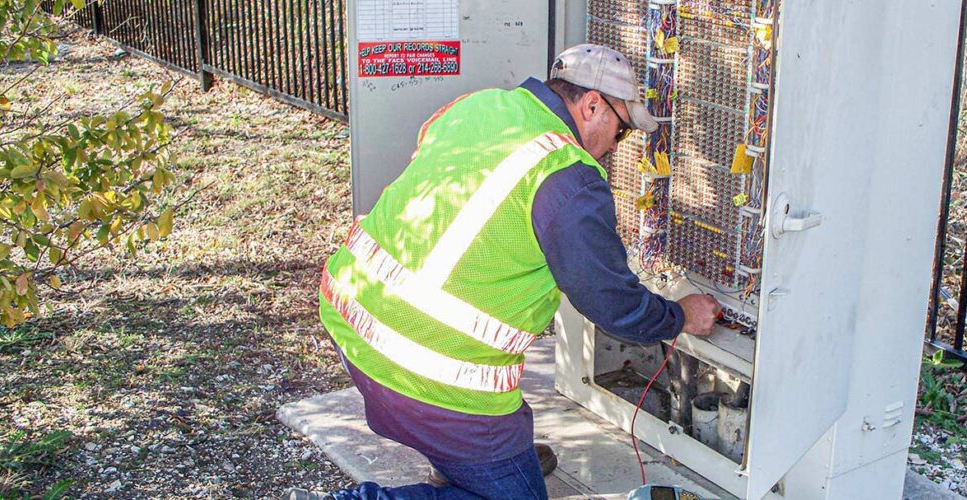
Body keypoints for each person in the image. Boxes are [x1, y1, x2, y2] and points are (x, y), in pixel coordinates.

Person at [307, 44, 721, 500]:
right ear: (591, 105)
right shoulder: (569, 174)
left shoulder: (481, 105)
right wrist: (680, 316)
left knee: (497, 464)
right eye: (620, 131)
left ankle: (475, 466)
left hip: (351, 314)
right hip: (431, 377)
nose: (615, 147)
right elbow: (612, 304)